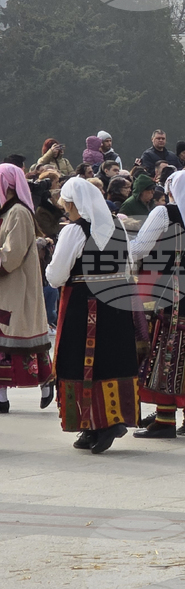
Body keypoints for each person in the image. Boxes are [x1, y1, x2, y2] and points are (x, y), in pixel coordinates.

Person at [46, 178, 141, 452]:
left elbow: (56, 275)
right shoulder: (117, 227)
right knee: (111, 359)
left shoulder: (74, 231)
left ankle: (100, 424)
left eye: (65, 201)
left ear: (73, 203)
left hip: (85, 305)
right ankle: (99, 424)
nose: (64, 206)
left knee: (81, 362)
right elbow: (129, 264)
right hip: (116, 303)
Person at [129, 171, 185, 438]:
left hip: (159, 290)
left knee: (161, 348)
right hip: (184, 293)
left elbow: (139, 249)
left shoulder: (163, 213)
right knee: (181, 349)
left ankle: (164, 420)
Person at [0, 164, 54, 413]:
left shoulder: (18, 213)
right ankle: (1, 398)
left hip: (15, 286)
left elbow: (13, 254)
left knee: (17, 340)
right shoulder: (7, 212)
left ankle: (46, 382)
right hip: (7, 286)